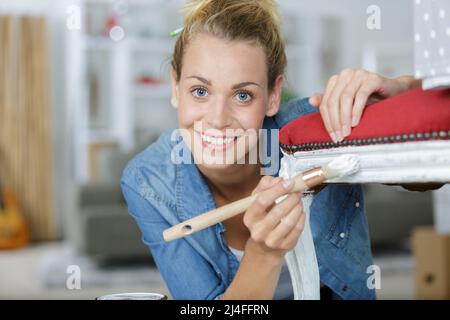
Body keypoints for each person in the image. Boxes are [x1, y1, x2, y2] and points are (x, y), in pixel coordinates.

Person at [120, 0, 421, 300]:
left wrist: (402, 92)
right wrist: (264, 253)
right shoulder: (147, 181)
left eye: (242, 95)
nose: (217, 119)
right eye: (200, 91)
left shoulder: (319, 128)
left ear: (273, 95)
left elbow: (425, 175)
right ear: (175, 87)